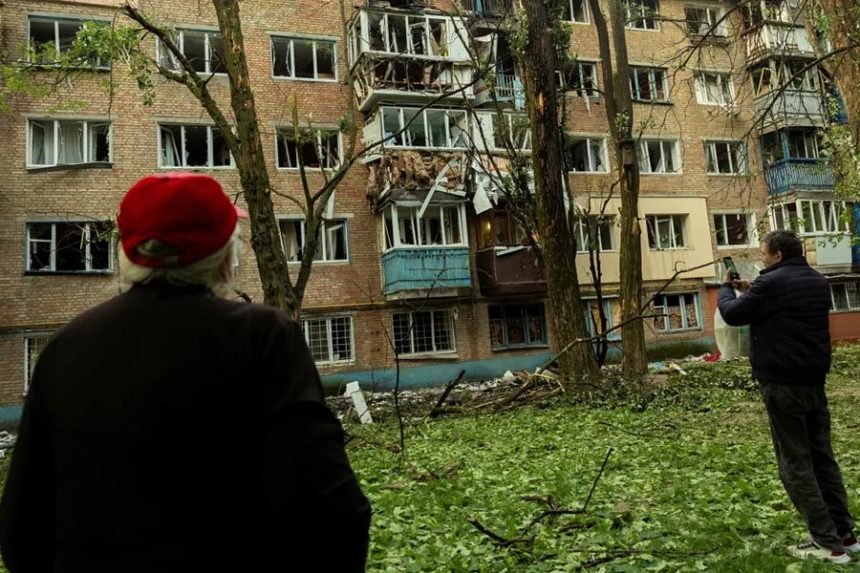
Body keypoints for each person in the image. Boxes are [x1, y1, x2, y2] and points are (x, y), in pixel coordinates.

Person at [0, 173, 371, 572]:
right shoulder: (263, 337)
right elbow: (332, 509)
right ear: (226, 257)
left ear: (125, 253)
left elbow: (21, 529)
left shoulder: (64, 347)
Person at [718, 230, 857, 564]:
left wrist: (726, 289)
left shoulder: (772, 283)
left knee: (795, 462)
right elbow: (785, 308)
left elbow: (733, 314)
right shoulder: (815, 280)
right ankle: (846, 535)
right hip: (813, 380)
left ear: (778, 255)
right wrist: (752, 291)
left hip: (782, 384)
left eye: (764, 253)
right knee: (822, 457)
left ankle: (828, 544)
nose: (761, 258)